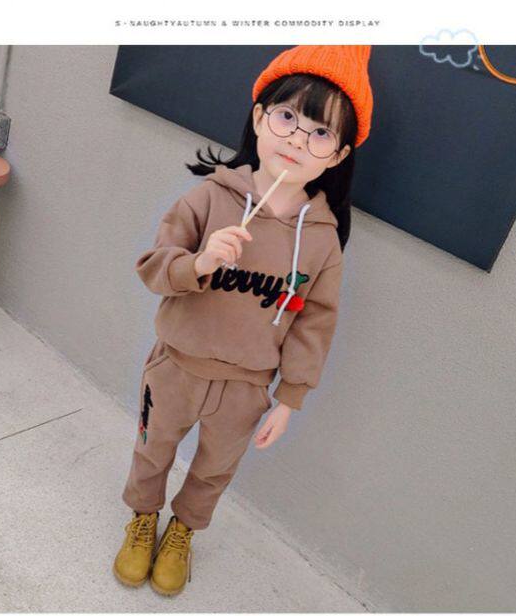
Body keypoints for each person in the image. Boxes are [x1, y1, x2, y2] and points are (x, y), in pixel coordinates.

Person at [113, 45, 374, 596]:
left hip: (247, 387)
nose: (297, 140)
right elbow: (153, 268)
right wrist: (200, 262)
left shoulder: (322, 242)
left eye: (320, 133)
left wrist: (289, 399)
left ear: (338, 155)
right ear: (259, 118)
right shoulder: (208, 198)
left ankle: (182, 531)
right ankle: (143, 518)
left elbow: (315, 323)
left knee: (213, 470)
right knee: (152, 450)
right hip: (175, 367)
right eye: (287, 117)